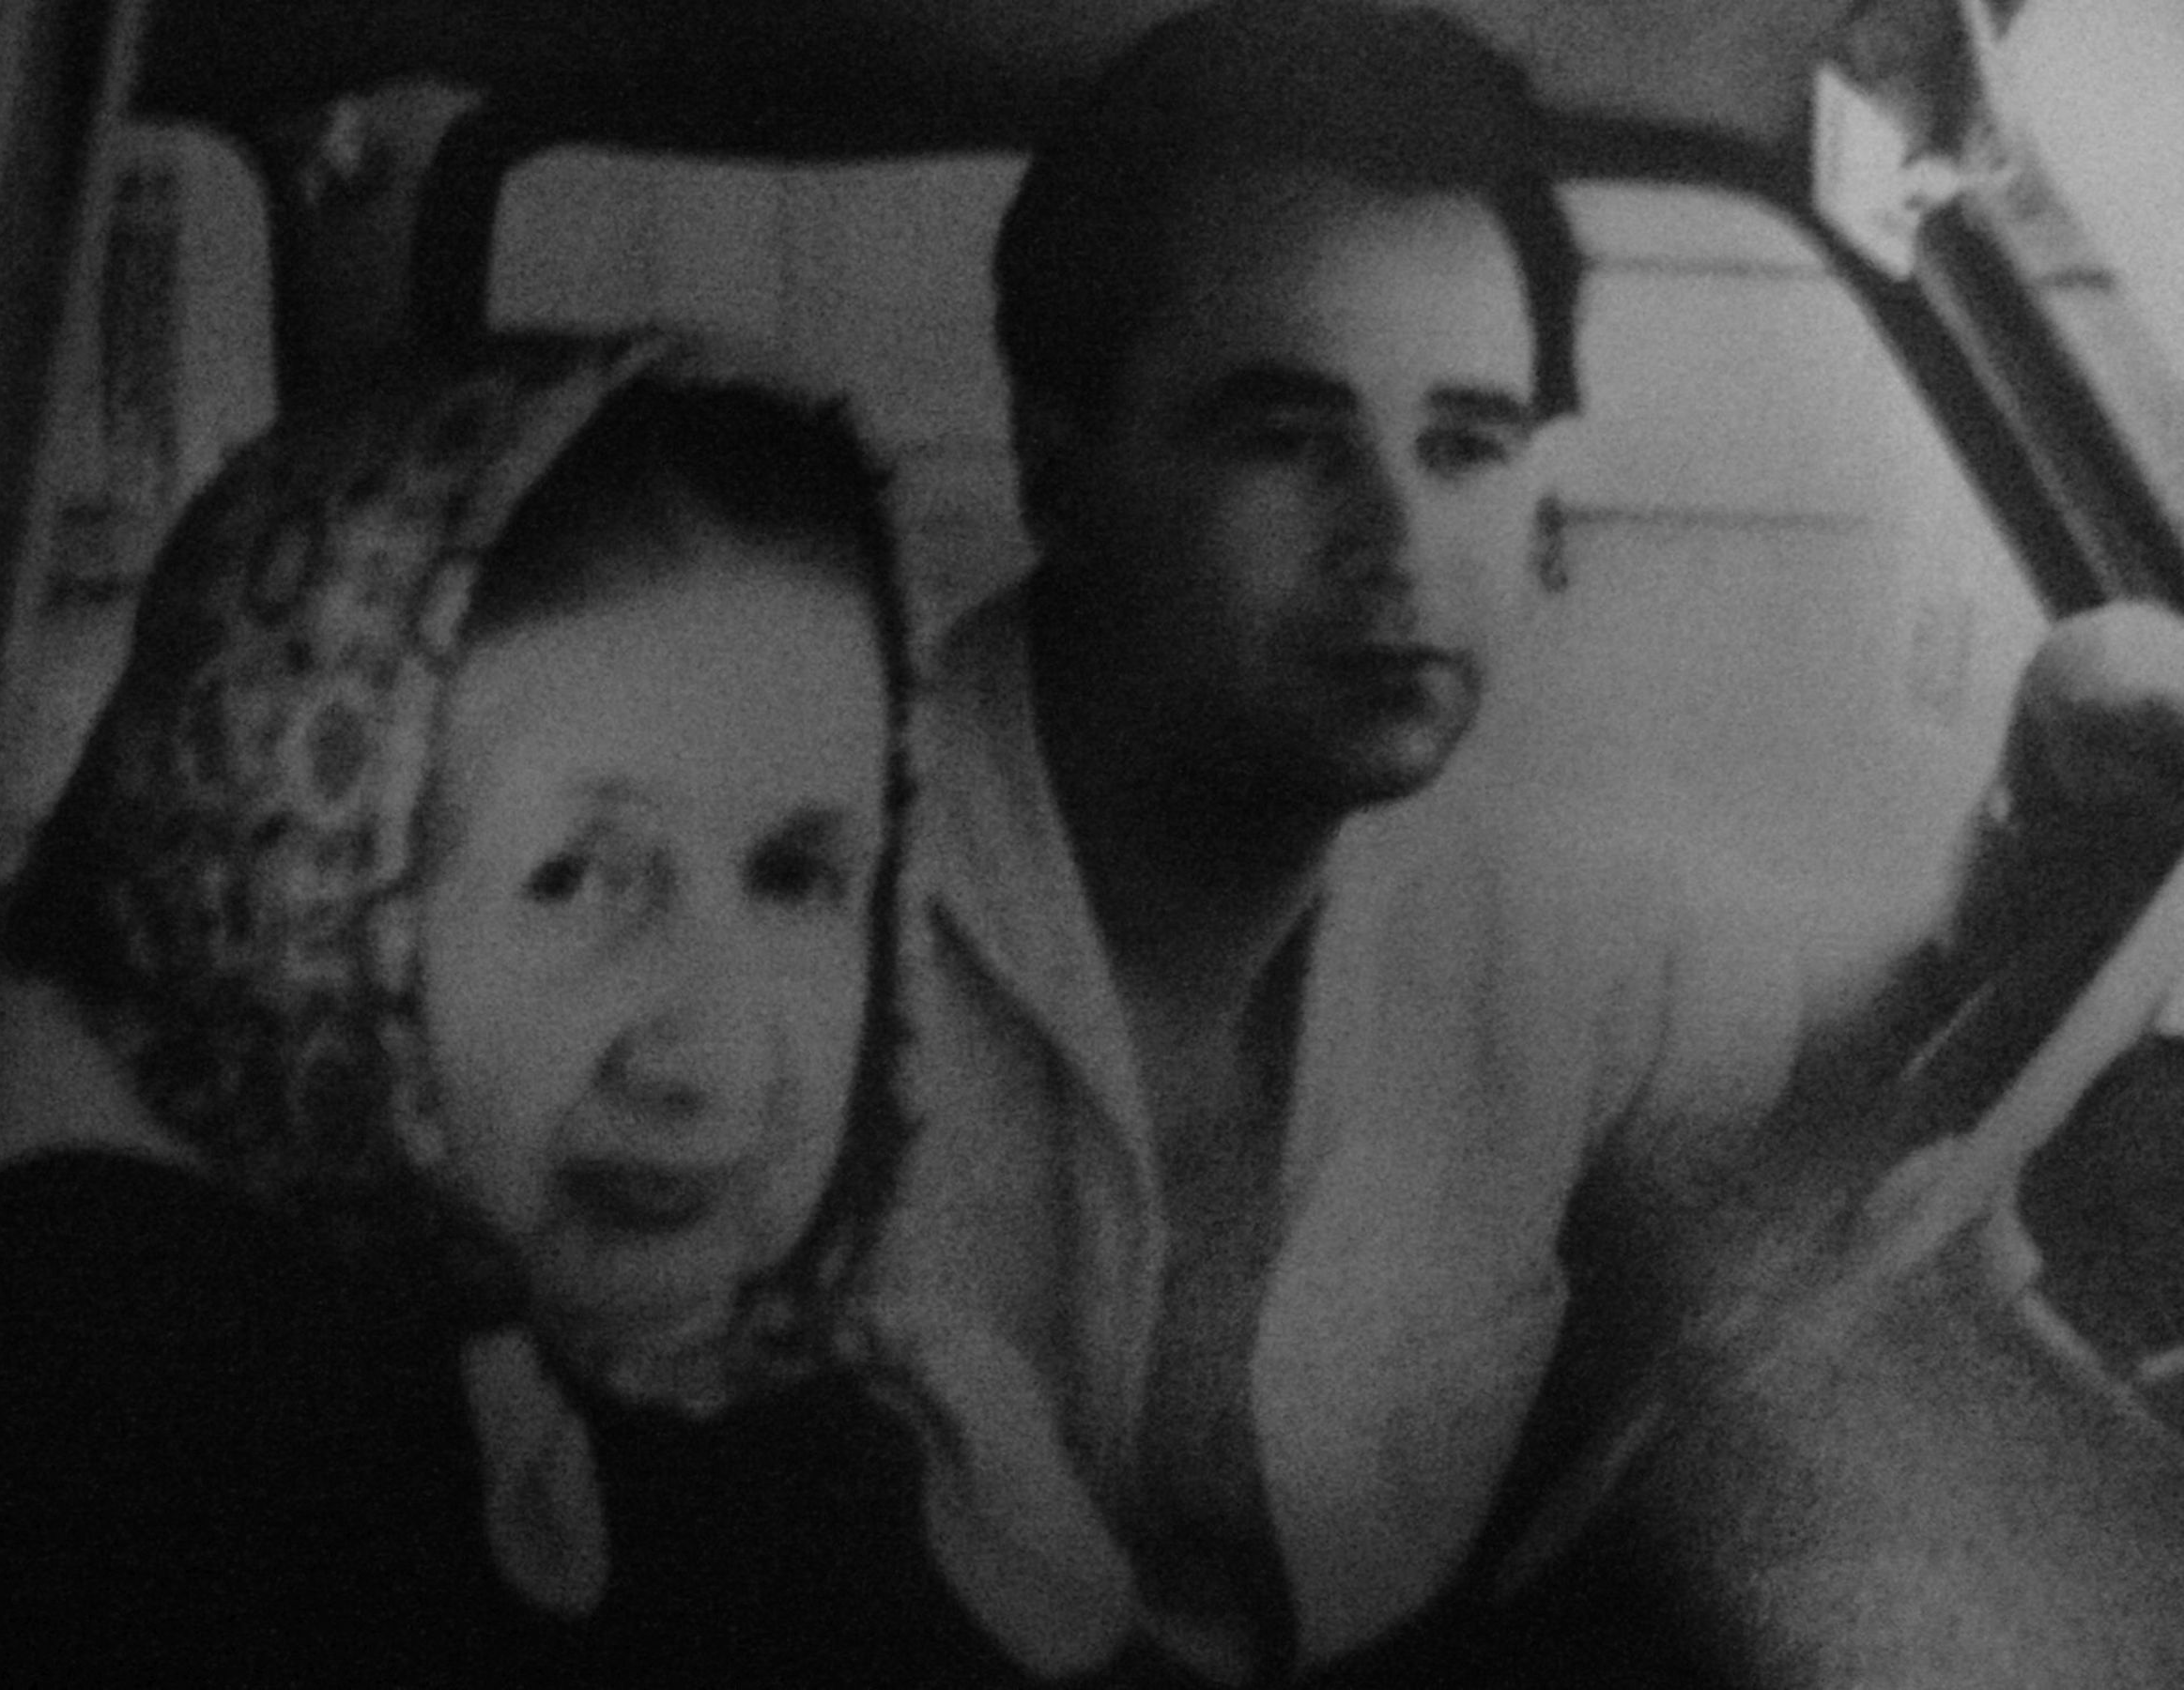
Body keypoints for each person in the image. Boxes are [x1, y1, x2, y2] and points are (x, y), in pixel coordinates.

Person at [862, 1, 2184, 1683]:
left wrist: (2045, 816)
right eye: (1288, 438)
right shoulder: (799, 889)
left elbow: (1886, 1032)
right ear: (1060, 470)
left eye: (1466, 444)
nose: (1397, 540)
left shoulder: (1532, 925)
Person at [0, 332, 1005, 1685]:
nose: (710, 1059)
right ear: (301, 887)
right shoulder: (130, 1422)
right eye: (578, 879)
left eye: (797, 875)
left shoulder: (798, 1406)